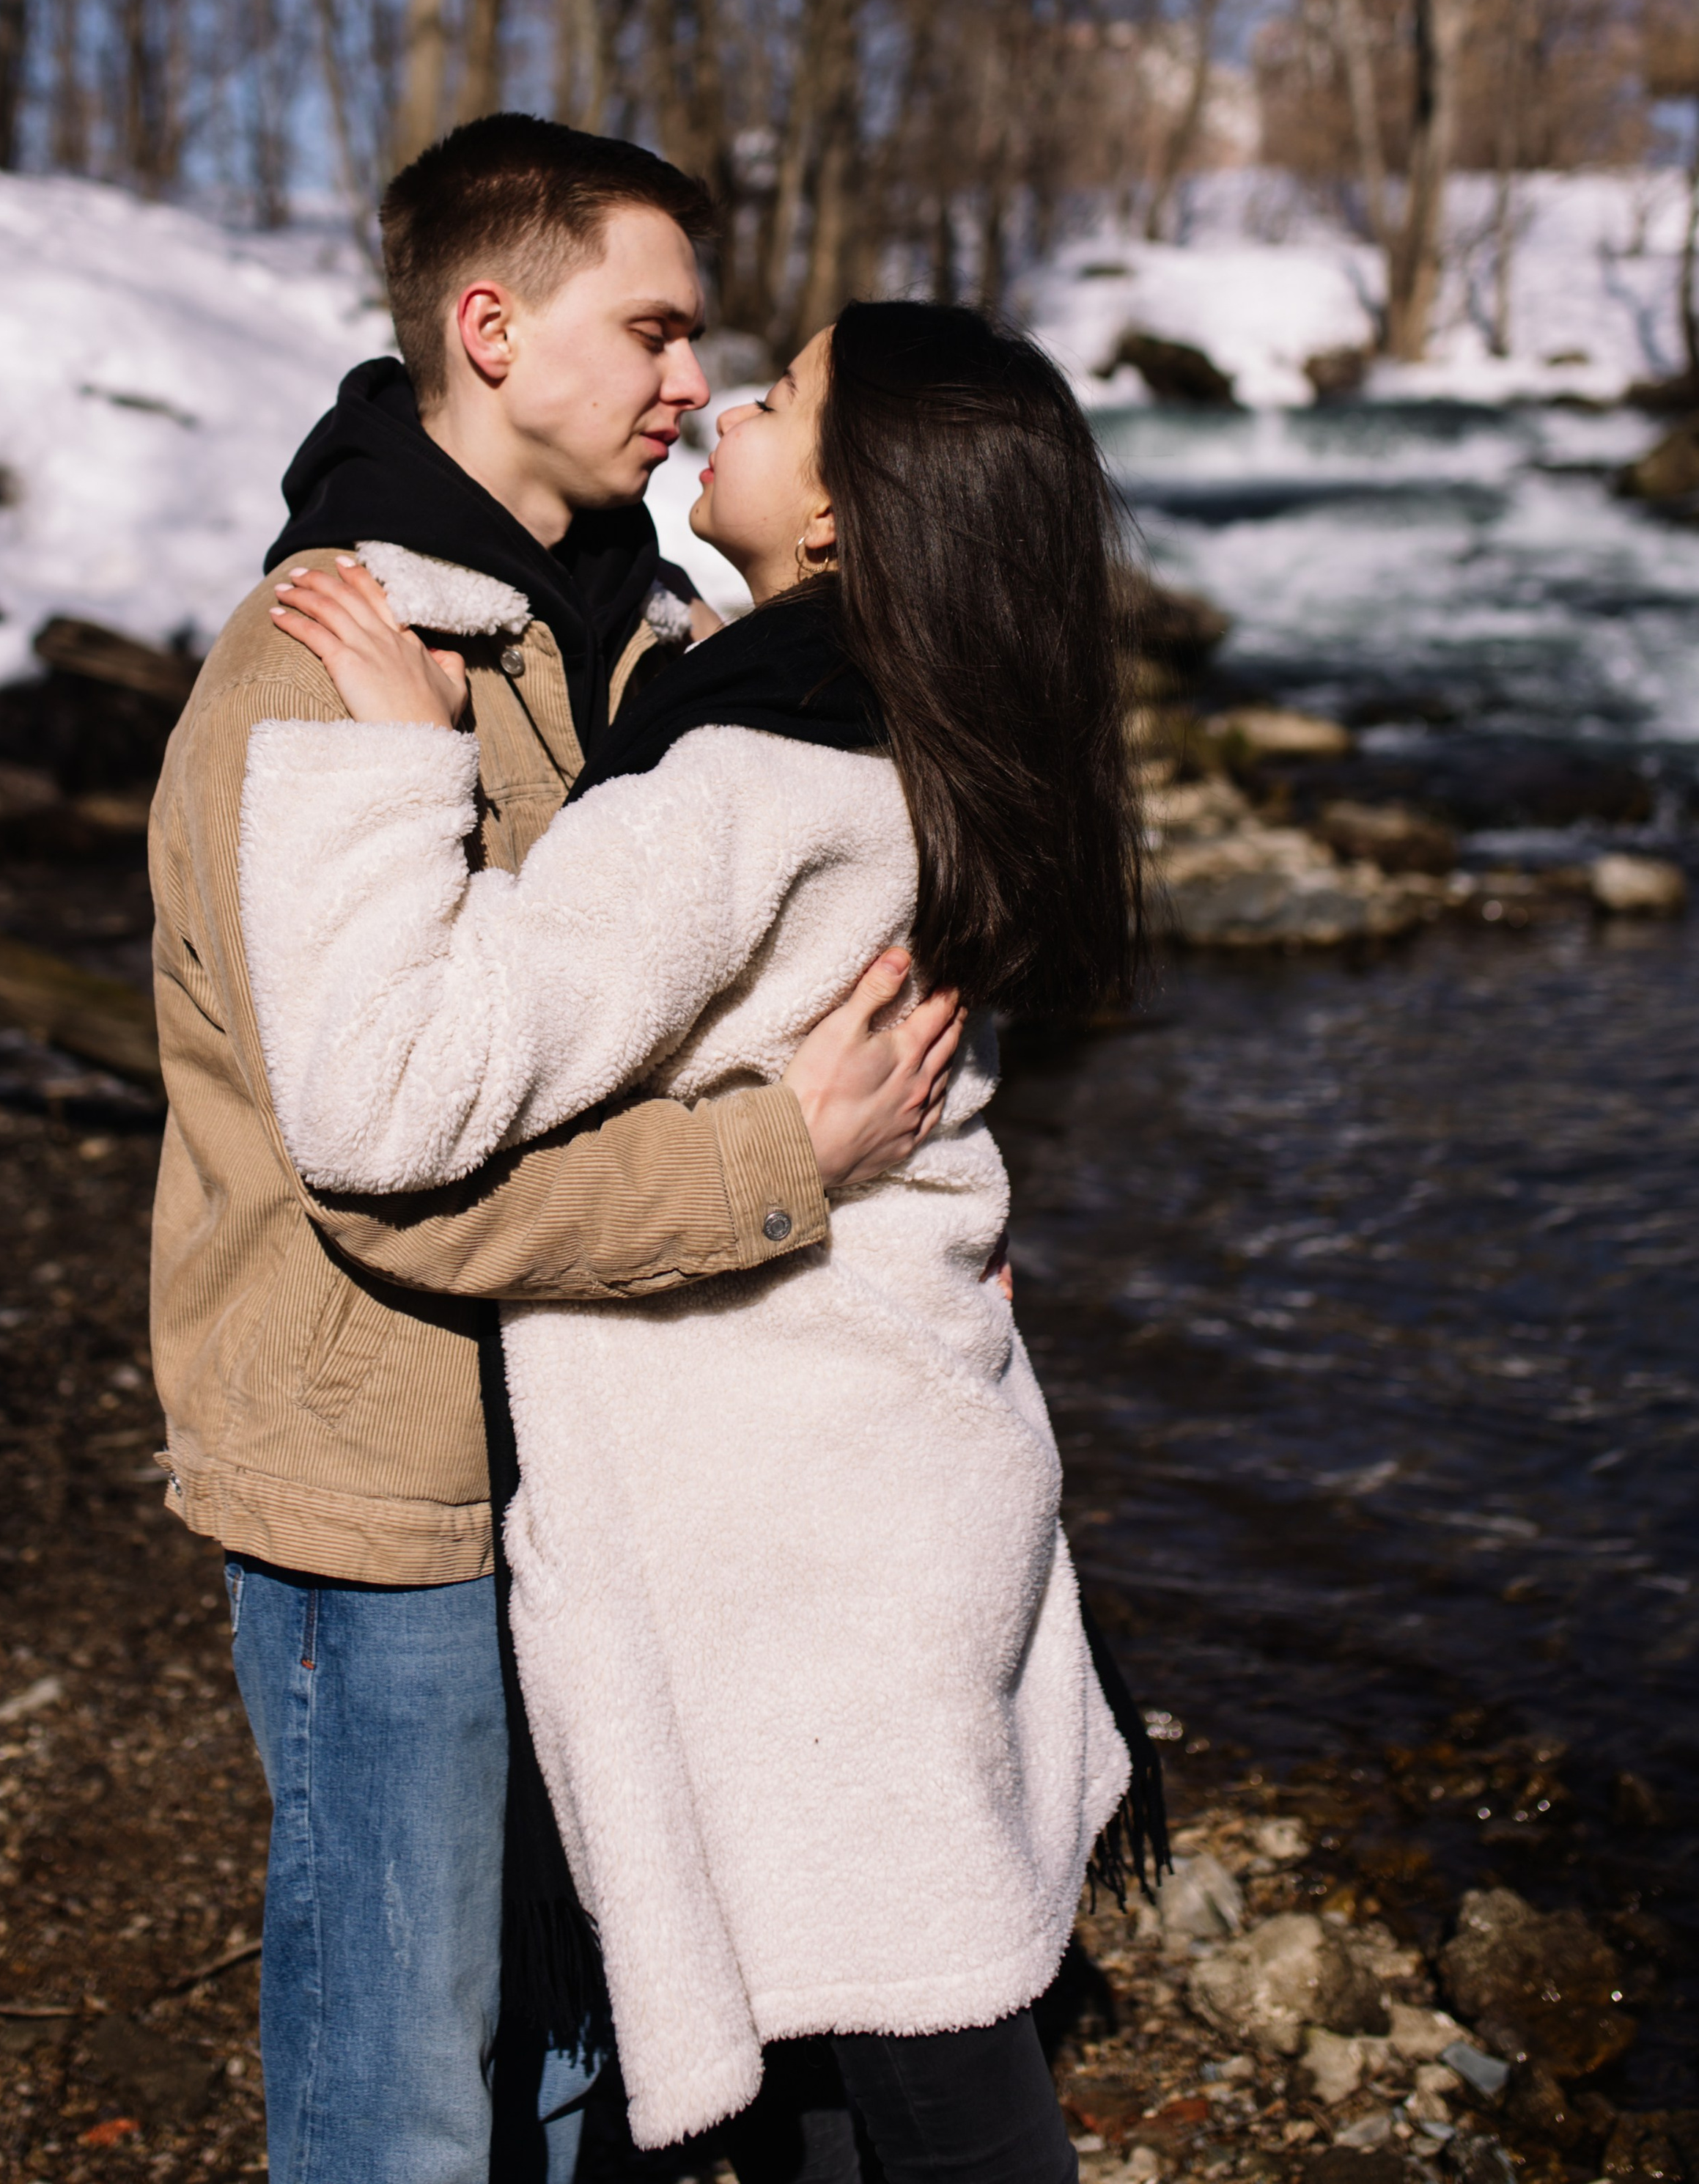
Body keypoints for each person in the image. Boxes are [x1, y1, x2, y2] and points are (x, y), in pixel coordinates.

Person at [246, 295, 1145, 2184]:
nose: (729, 401)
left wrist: (393, 768)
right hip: (909, 1462)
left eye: (788, 392)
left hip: (793, 1529)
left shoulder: (743, 778)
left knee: (917, 2082)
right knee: (880, 2050)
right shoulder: (917, 729)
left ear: (852, 510)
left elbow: (389, 1095)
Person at [147, 117, 964, 2184]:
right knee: (409, 2079)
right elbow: (391, 1171)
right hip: (395, 1476)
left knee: (585, 2051)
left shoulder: (634, 639)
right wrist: (794, 1161)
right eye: (659, 329)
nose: (699, 379)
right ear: (490, 326)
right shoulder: (328, 669)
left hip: (589, 1453)